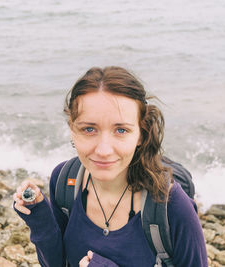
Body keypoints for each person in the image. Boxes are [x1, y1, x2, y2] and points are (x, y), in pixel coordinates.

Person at [13, 66, 208, 267]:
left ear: (140, 134)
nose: (104, 150)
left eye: (121, 130)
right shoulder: (64, 182)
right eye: (89, 129)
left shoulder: (170, 204)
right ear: (72, 129)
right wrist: (40, 220)